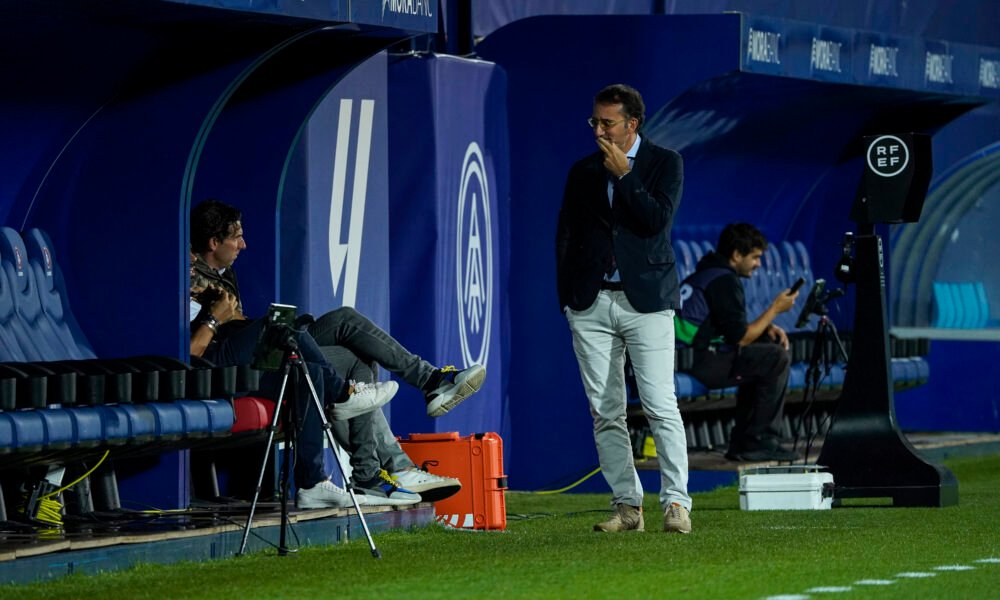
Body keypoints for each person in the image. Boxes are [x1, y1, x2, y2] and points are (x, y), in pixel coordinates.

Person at [190, 200, 477, 506]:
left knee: (347, 327)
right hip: (230, 367)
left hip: (259, 351)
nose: (243, 244)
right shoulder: (187, 275)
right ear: (213, 241)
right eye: (236, 237)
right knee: (308, 336)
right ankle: (367, 453)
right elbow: (194, 350)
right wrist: (216, 318)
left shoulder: (223, 272)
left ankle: (429, 383)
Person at [556, 84, 691, 534]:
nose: (598, 130)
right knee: (605, 410)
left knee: (659, 403)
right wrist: (568, 300)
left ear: (632, 124)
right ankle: (627, 507)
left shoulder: (665, 163)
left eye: (607, 123)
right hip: (591, 303)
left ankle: (676, 504)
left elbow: (656, 221)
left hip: (647, 302)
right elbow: (566, 237)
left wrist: (625, 177)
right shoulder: (582, 171)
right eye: (594, 121)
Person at [674, 223, 800, 462]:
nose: (759, 264)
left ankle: (742, 442)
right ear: (736, 255)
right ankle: (758, 441)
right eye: (754, 257)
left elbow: (725, 326)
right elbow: (740, 336)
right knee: (775, 358)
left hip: (686, 357)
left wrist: (766, 328)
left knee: (758, 357)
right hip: (701, 363)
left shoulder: (706, 273)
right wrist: (775, 309)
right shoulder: (725, 281)